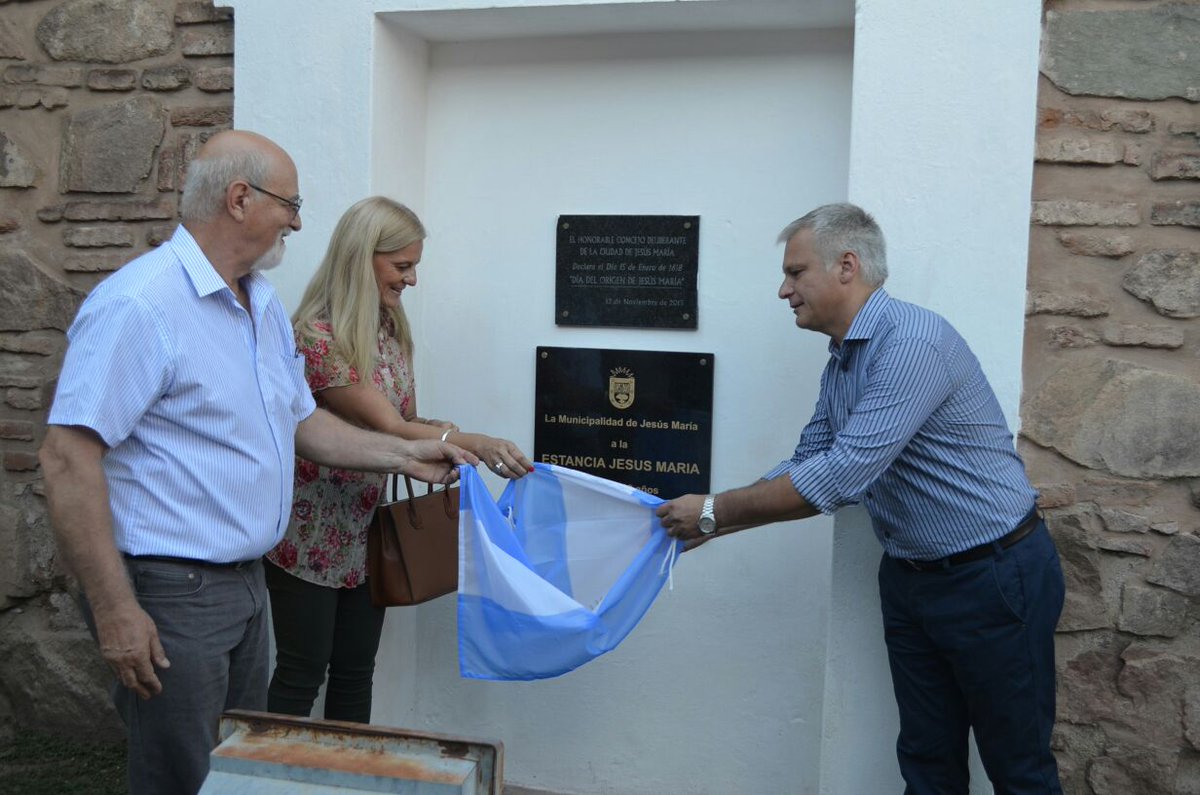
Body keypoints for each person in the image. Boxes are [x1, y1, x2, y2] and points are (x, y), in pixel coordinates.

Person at [37, 131, 477, 795]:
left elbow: (302, 423)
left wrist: (406, 453)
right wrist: (116, 609)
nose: (297, 223)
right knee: (182, 776)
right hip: (171, 589)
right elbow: (67, 457)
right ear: (240, 198)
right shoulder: (140, 304)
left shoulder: (260, 302)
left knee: (237, 772)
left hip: (245, 583)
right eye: (290, 204)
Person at [656, 203, 1064, 794]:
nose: (784, 290)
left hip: (993, 578)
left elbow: (842, 475)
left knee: (1019, 769)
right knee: (926, 760)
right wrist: (713, 522)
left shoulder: (912, 343)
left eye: (795, 272)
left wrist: (716, 511)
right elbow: (811, 459)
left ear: (846, 266)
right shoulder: (844, 357)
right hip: (911, 578)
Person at [264, 195, 533, 723]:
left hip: (368, 530)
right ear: (360, 258)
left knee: (355, 672)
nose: (411, 279)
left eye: (413, 266)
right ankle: (270, 767)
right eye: (402, 265)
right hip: (310, 536)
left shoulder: (389, 328)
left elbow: (402, 417)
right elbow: (388, 426)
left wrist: (447, 434)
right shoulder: (315, 337)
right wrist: (474, 441)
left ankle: (349, 769)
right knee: (301, 671)